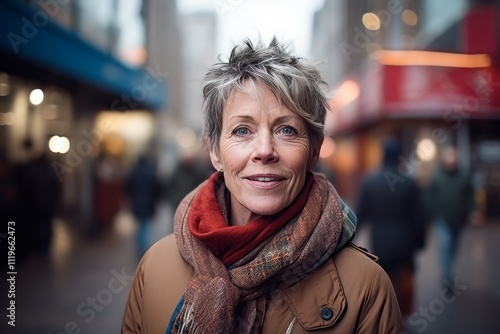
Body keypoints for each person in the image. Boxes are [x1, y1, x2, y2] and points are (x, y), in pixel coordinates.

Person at [122, 38, 403, 333]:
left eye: (286, 129)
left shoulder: (367, 287)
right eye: (242, 130)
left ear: (314, 151)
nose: (265, 150)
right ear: (215, 151)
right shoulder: (154, 268)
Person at [356, 138, 428, 320]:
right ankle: (402, 316)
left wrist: (349, 240)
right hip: (405, 243)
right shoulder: (409, 182)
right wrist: (419, 242)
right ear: (398, 158)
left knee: (383, 280)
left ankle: (385, 318)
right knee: (403, 281)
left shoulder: (371, 182)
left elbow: (361, 215)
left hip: (380, 242)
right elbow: (420, 216)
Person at [425, 145, 481, 283]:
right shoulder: (437, 176)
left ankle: (448, 269)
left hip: (459, 219)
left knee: (454, 246)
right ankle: (447, 274)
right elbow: (429, 195)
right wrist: (432, 212)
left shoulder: (464, 176)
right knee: (445, 243)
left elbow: (470, 195)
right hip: (442, 218)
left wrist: (474, 211)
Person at [125, 154, 161, 256]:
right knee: (146, 225)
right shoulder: (151, 172)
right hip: (149, 203)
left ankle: (140, 246)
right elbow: (157, 189)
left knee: (139, 225)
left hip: (136, 203)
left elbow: (127, 187)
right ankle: (144, 247)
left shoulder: (133, 172)